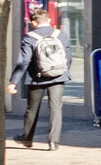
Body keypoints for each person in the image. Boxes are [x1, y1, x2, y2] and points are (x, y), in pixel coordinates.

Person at [8, 8, 68, 150]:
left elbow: (23, 61)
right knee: (56, 108)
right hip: (58, 76)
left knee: (32, 109)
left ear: (33, 23)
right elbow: (68, 57)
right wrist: (62, 71)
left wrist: (13, 82)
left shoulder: (30, 37)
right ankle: (54, 142)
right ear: (49, 20)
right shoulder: (61, 35)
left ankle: (27, 139)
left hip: (37, 78)